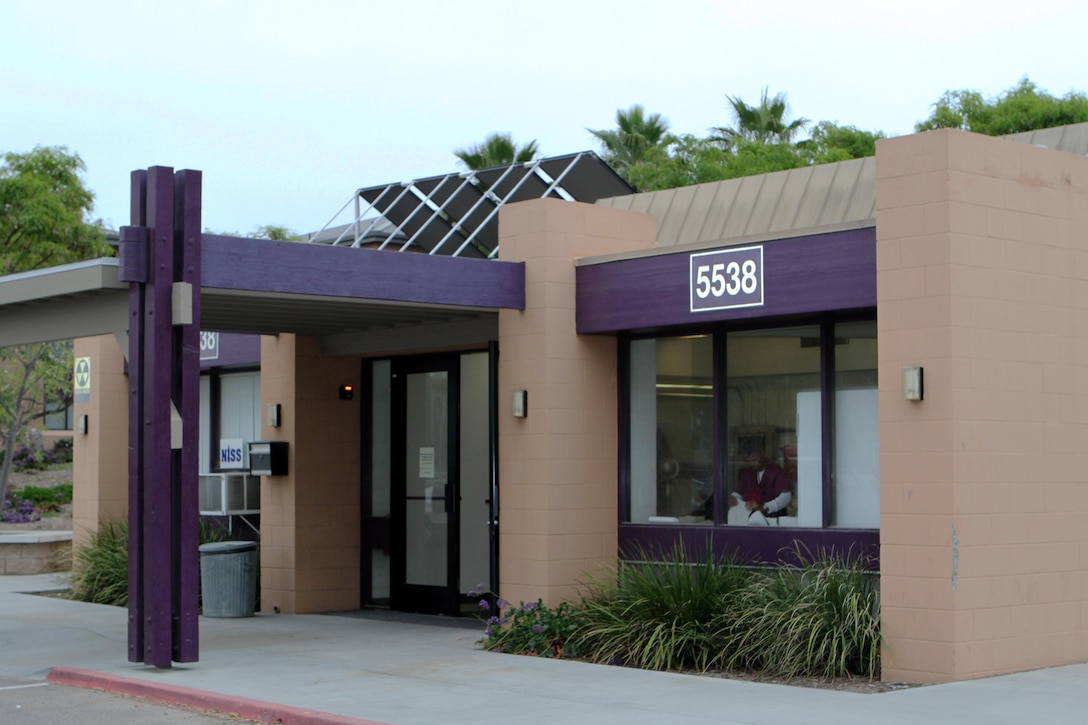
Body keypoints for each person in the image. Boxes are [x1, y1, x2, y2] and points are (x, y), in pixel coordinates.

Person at [729, 452, 791, 524]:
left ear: (762, 455)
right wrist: (734, 498)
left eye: (754, 460)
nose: (752, 464)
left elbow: (786, 497)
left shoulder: (777, 471)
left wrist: (764, 507)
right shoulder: (748, 473)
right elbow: (739, 492)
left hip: (773, 522)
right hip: (750, 520)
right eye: (749, 462)